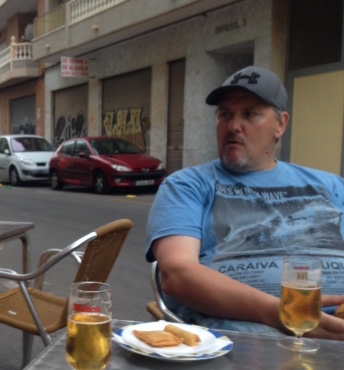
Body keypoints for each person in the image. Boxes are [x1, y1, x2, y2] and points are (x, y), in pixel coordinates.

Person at [146, 65, 344, 340]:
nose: (233, 126)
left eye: (249, 114)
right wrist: (284, 313)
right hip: (250, 335)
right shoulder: (187, 185)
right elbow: (177, 275)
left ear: (281, 125)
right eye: (225, 114)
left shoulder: (332, 186)